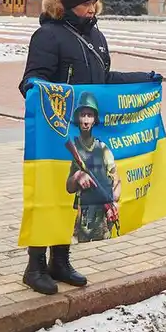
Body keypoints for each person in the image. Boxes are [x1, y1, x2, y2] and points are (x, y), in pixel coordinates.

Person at [19, 0, 159, 294]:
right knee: (50, 197)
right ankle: (35, 266)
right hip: (54, 135)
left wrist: (143, 79)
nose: (91, 8)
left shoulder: (96, 36)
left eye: (94, 2)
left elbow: (104, 79)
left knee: (75, 199)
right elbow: (30, 80)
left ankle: (61, 261)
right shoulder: (48, 36)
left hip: (85, 133)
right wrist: (41, 90)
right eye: (85, 3)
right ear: (67, 5)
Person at [65, 94, 120, 242]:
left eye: (90, 115)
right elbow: (69, 187)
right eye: (83, 115)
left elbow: (116, 180)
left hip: (102, 216)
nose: (86, 121)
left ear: (95, 119)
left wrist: (113, 203)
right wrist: (77, 177)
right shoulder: (74, 149)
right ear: (78, 119)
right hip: (83, 217)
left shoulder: (103, 149)